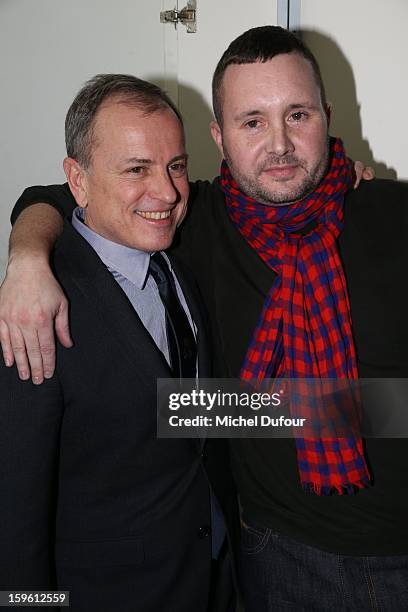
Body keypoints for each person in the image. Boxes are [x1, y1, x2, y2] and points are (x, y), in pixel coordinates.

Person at [2, 24, 406, 610]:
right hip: (274, 559)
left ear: (328, 114)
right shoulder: (194, 222)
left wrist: (226, 408)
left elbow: (177, 409)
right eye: (252, 122)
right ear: (221, 136)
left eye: (298, 115)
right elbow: (59, 196)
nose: (280, 145)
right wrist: (25, 256)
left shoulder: (393, 213)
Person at [0, 74, 237, 612]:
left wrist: (334, 412)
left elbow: (182, 415)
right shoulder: (34, 311)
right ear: (77, 183)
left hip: (209, 580)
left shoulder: (177, 253)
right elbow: (15, 513)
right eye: (136, 170)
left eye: (176, 165)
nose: (168, 191)